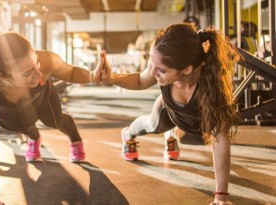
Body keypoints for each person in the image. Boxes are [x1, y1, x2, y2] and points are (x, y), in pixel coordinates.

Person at [98, 23, 241, 205]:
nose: (153, 72)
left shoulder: (212, 86)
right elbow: (141, 81)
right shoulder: (161, 64)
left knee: (194, 138)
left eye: (162, 70)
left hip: (196, 125)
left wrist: (221, 197)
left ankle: (172, 134)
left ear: (187, 69)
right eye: (153, 64)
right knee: (151, 124)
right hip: (169, 111)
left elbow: (219, 139)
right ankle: (128, 134)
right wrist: (111, 79)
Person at [0, 31, 103, 205]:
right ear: (4, 77)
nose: (39, 75)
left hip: (42, 97)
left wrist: (93, 76)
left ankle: (75, 139)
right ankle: (34, 138)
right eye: (27, 73)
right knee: (22, 125)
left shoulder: (46, 62)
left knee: (54, 121)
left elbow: (72, 72)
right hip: (10, 113)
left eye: (36, 62)